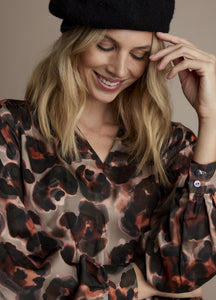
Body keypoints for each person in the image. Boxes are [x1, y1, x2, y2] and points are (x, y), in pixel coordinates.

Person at [0, 0, 216, 299]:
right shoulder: (11, 130)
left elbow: (188, 271)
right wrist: (135, 285)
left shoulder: (171, 145)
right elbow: (13, 278)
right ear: (75, 41)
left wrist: (211, 117)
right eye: (105, 46)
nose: (119, 68)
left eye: (139, 54)